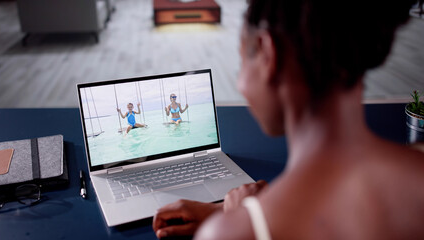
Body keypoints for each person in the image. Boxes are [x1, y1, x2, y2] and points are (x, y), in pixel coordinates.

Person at [153, 0, 424, 239]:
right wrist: (223, 210)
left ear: (267, 53)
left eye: (242, 62)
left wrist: (238, 219)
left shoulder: (234, 232)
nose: (240, 82)